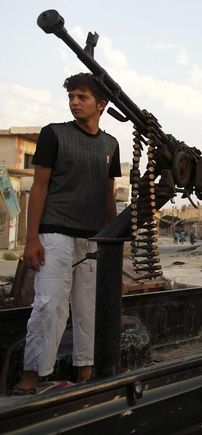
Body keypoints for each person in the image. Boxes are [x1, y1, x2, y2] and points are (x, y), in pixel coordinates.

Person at [12, 73, 121, 394]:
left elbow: (108, 194)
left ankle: (85, 371)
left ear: (101, 104)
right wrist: (31, 239)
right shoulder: (53, 135)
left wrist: (113, 239)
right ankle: (32, 375)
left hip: (93, 240)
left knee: (89, 307)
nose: (75, 102)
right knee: (49, 304)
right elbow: (40, 186)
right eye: (71, 96)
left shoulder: (110, 145)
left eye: (82, 97)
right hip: (55, 234)